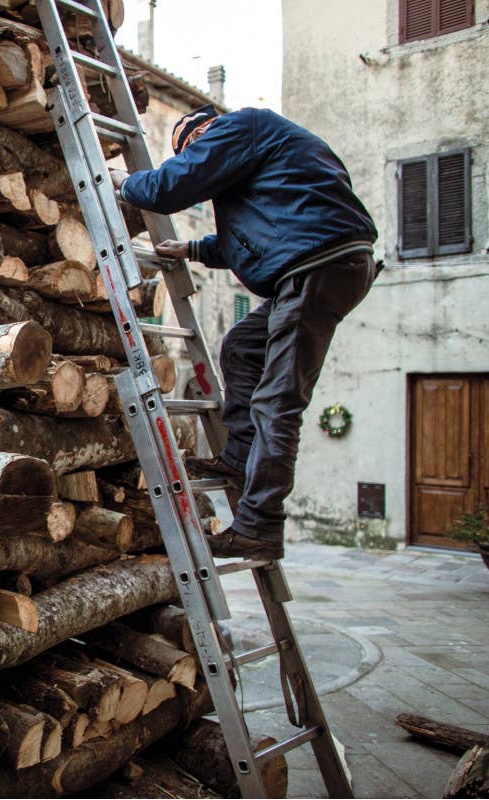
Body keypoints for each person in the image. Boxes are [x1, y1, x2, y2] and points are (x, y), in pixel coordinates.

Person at [116, 104, 379, 561]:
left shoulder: (240, 126)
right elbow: (253, 234)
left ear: (203, 130)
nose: (197, 156)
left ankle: (259, 525)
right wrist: (195, 248)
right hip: (316, 265)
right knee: (241, 348)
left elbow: (166, 188)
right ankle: (239, 456)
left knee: (278, 401)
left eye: (193, 149)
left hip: (316, 267)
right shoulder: (261, 163)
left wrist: (119, 183)